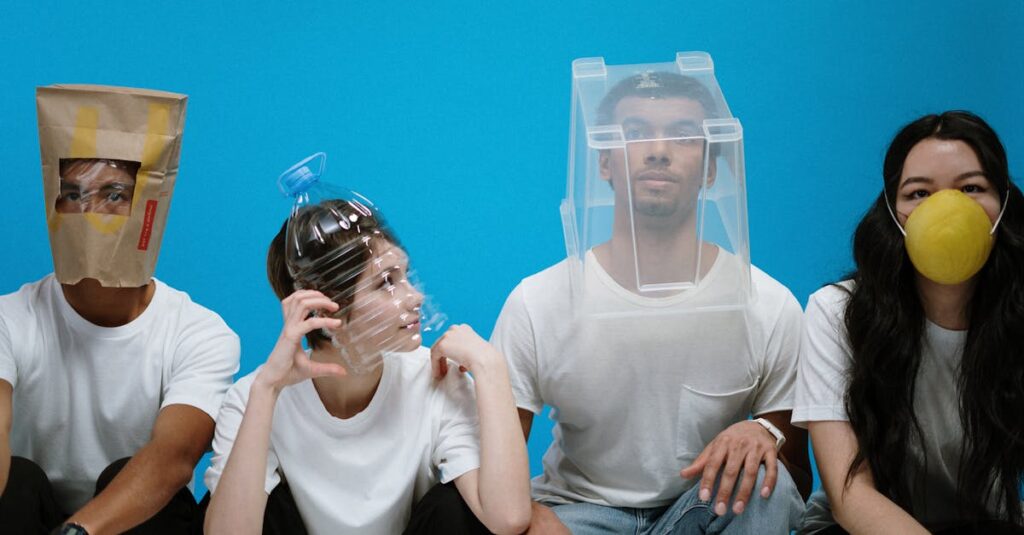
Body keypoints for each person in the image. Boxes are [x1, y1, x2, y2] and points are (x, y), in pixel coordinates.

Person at [491, 65, 810, 534]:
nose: (658, 152)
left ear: (710, 169)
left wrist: (761, 432)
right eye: (635, 134)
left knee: (767, 480)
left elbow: (796, 482)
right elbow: (490, 464)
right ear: (604, 163)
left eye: (683, 136)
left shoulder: (769, 305)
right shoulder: (538, 302)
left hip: (702, 507)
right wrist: (534, 518)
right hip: (578, 515)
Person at [203, 196, 531, 534]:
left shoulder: (435, 378)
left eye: (406, 276)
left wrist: (491, 368)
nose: (415, 297)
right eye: (386, 282)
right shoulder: (254, 398)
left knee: (456, 510)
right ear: (323, 307)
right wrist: (266, 390)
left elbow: (508, 518)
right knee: (248, 494)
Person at [793, 111, 1024, 534]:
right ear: (892, 212)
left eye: (971, 188)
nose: (946, 208)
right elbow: (850, 497)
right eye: (918, 193)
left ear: (1003, 204)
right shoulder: (835, 312)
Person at [0, 159, 241, 535]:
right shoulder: (9, 318)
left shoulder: (199, 333)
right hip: (27, 521)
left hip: (135, 523)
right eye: (73, 194)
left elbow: (173, 457)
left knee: (137, 482)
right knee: (18, 481)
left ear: (150, 211)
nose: (91, 212)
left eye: (114, 195)